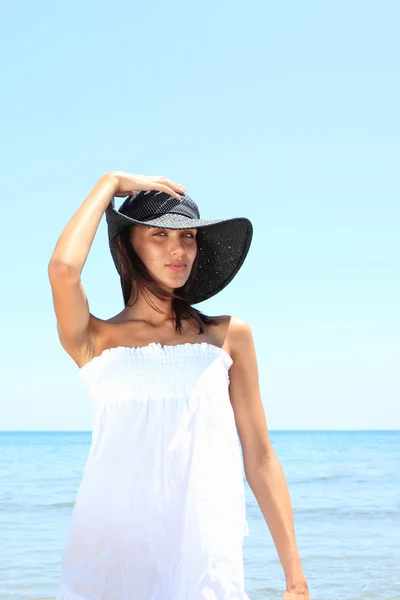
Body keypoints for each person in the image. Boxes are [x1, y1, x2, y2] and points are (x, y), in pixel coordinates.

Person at [48, 172, 311, 600]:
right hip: (108, 554)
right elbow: (62, 269)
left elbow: (260, 457)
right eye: (159, 235)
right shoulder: (94, 339)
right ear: (126, 245)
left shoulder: (228, 336)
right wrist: (110, 184)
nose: (178, 249)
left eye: (188, 236)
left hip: (204, 556)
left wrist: (295, 579)